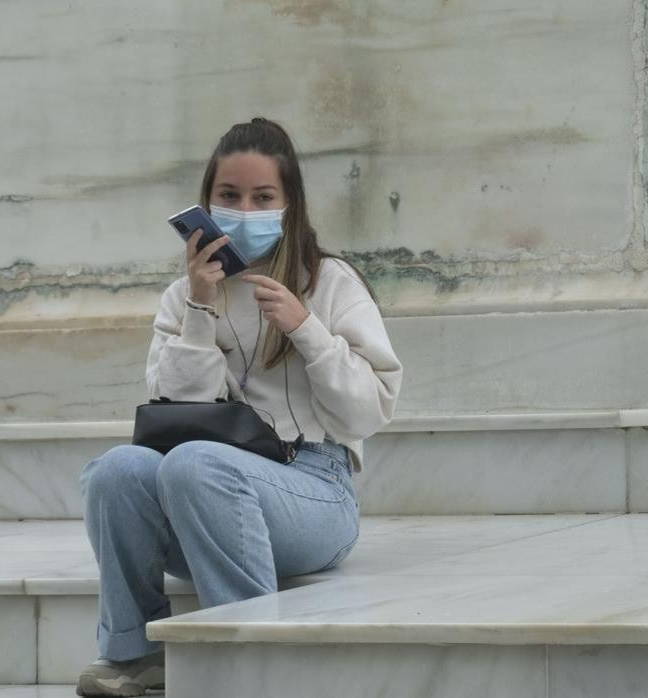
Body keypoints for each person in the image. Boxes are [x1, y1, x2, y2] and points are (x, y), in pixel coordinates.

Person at [76, 117, 403, 697]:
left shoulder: (328, 283)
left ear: (289, 204)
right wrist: (200, 314)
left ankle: (250, 665)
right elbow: (173, 416)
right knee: (118, 470)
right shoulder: (185, 296)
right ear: (205, 203)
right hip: (203, 488)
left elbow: (369, 412)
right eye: (229, 196)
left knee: (197, 464)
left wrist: (309, 332)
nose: (243, 209)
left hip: (315, 490)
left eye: (262, 198)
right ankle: (134, 655)